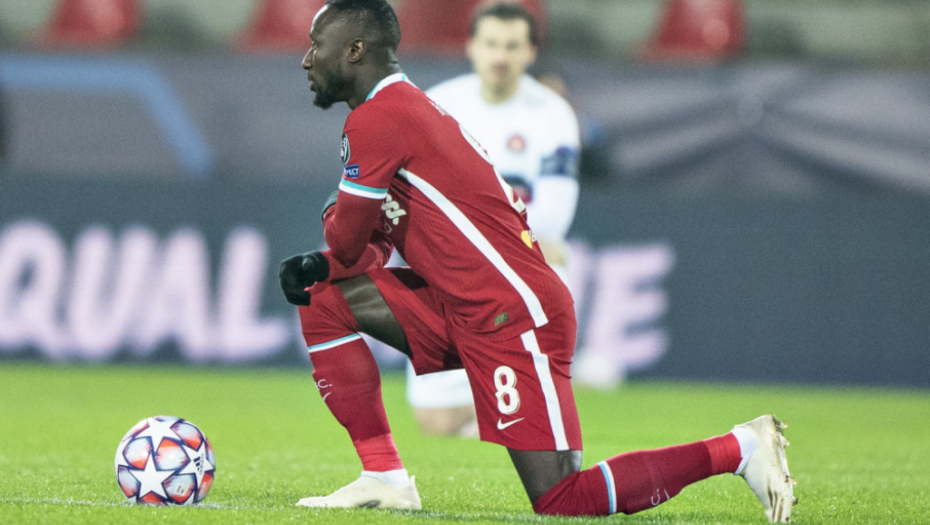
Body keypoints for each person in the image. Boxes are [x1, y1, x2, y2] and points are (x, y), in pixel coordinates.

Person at [278, 0, 796, 520]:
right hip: (465, 307)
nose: (307, 59)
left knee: (563, 499)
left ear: (354, 49)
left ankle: (739, 448)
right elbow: (375, 245)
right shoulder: (408, 108)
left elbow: (347, 241)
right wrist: (324, 266)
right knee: (323, 299)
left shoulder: (380, 118)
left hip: (513, 317)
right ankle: (384, 478)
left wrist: (332, 222)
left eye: (316, 45)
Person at [405, 1, 581, 438]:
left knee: (552, 260)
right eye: (491, 44)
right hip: (454, 268)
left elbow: (554, 211)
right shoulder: (437, 104)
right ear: (471, 46)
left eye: (512, 46)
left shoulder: (552, 114)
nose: (500, 56)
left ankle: (531, 391)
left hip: (523, 267)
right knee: (435, 421)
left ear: (530, 52)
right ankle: (524, 394)